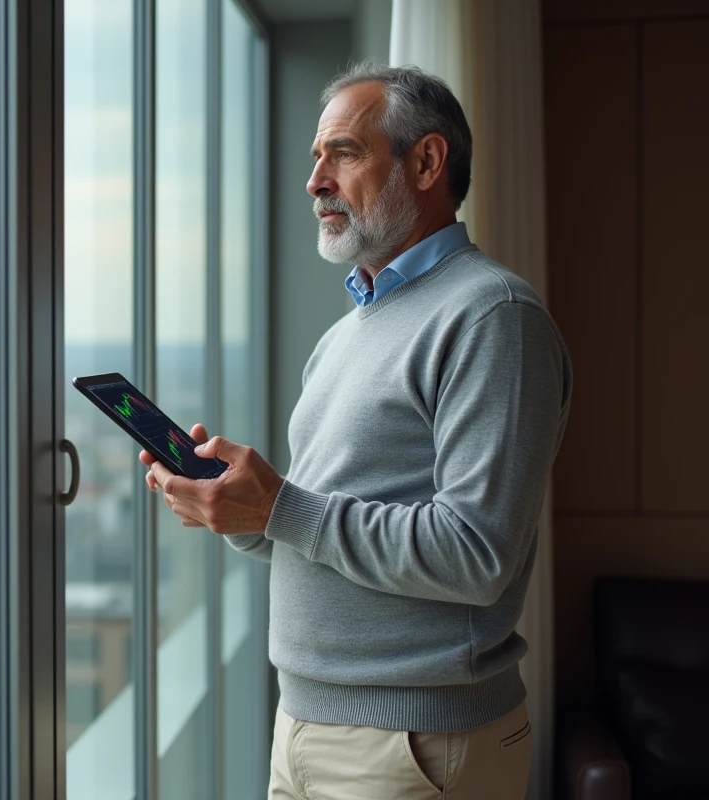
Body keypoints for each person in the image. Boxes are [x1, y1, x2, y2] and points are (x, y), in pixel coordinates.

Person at [140, 62, 571, 799]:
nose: (315, 182)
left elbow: (476, 554)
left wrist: (281, 506)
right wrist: (239, 509)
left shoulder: (494, 317)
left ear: (426, 163)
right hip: (301, 728)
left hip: (414, 745)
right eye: (317, 158)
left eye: (342, 153)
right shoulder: (346, 334)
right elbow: (317, 525)